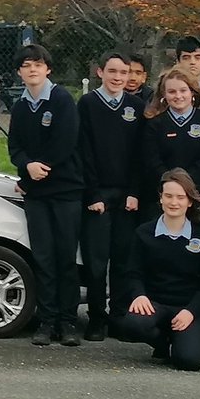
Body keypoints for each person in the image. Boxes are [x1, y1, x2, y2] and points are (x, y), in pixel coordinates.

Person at [7, 43, 85, 347]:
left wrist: (39, 171)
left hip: (65, 190)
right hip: (37, 195)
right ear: (19, 72)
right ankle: (47, 320)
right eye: (26, 65)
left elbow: (65, 142)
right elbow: (14, 146)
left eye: (37, 64)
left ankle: (67, 322)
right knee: (43, 257)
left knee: (65, 256)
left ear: (47, 68)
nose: (32, 69)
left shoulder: (63, 99)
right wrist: (27, 166)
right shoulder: (20, 106)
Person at [114, 168, 200, 370]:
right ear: (160, 198)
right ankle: (163, 343)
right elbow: (132, 273)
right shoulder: (143, 233)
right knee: (132, 324)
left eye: (180, 197)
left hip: (189, 308)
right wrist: (139, 295)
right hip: (157, 304)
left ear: (189, 201)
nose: (174, 202)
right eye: (168, 196)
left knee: (189, 361)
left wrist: (191, 311)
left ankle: (182, 343)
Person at [78, 50, 144, 341]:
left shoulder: (136, 106)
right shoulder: (88, 104)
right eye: (113, 72)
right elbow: (83, 151)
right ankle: (96, 317)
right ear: (100, 73)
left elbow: (140, 154)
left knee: (122, 259)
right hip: (98, 196)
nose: (119, 78)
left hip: (126, 197)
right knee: (96, 261)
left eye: (124, 73)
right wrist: (93, 193)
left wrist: (134, 192)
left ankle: (117, 315)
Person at [140, 68, 200, 215]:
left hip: (198, 196)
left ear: (192, 92)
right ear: (164, 94)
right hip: (163, 196)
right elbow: (151, 159)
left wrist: (185, 184)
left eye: (183, 90)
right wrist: (170, 184)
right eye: (172, 92)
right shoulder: (154, 124)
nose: (178, 96)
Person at [174, 36, 200, 106]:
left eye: (197, 57)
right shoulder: (170, 92)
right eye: (186, 58)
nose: (192, 62)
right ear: (178, 62)